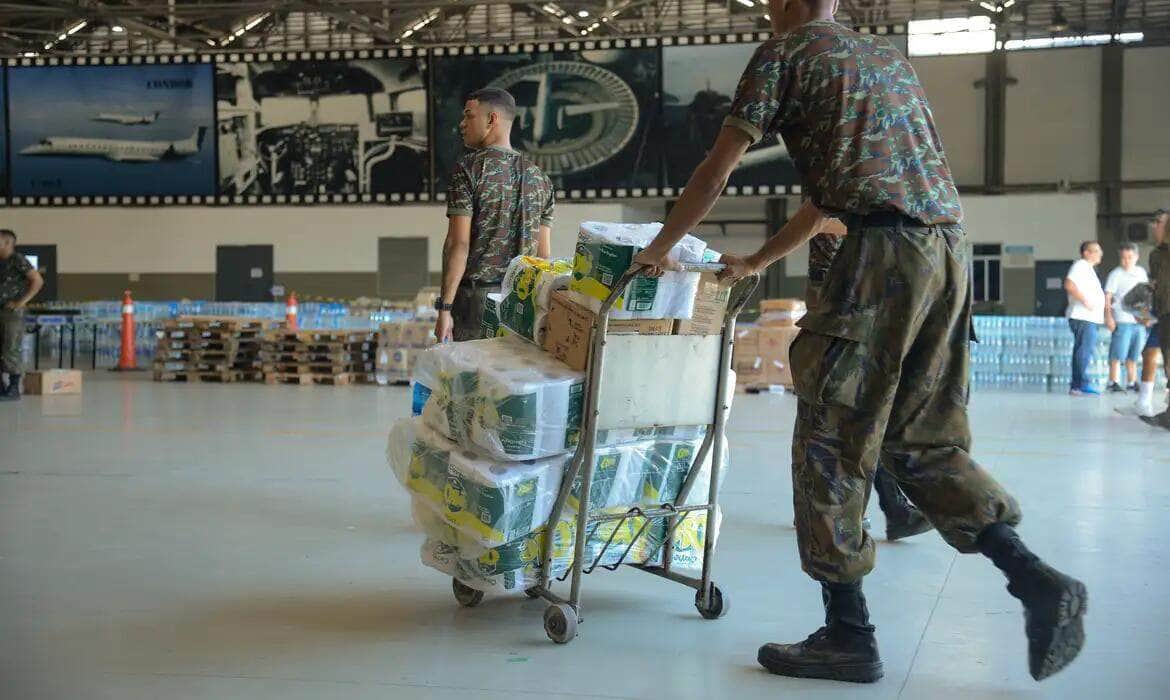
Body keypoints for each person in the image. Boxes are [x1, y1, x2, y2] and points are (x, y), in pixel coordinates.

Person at [633, 0, 1086, 684]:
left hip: (879, 258)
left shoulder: (787, 53)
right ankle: (1036, 579)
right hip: (946, 253)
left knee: (830, 442)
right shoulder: (886, 61)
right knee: (921, 440)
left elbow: (717, 170)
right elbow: (824, 203)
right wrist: (756, 262)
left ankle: (848, 633)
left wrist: (658, 248)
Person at [809, 222, 932, 542]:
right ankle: (872, 511)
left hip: (855, 318)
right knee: (853, 421)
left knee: (863, 421)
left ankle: (884, 509)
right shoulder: (840, 214)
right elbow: (822, 225)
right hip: (844, 322)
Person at [435, 87, 555, 343]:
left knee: (471, 370)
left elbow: (458, 244)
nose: (462, 123)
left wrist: (444, 309)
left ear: (492, 120)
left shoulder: (469, 170)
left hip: (476, 304)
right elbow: (543, 256)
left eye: (469, 115)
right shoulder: (541, 179)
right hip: (523, 303)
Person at [0, 229, 43, 402]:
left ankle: (13, 388)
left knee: (10, 348)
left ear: (7, 243)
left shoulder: (17, 259)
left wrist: (21, 302)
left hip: (11, 312)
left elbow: (37, 280)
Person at [1103, 242, 1149, 393]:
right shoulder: (1116, 274)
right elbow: (1108, 296)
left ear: (1136, 257)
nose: (1126, 261)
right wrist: (1108, 316)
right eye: (1123, 258)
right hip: (1122, 319)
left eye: (1129, 257)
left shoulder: (1141, 272)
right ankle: (1113, 381)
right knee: (1118, 351)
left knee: (1135, 353)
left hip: (1138, 320)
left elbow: (1145, 295)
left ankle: (1131, 381)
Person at [1140, 210, 1170, 428]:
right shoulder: (1155, 255)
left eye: (1159, 223)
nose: (1154, 227)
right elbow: (1156, 285)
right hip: (1165, 313)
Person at [1064, 241, 1105, 396]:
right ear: (1086, 253)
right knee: (1083, 350)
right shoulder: (1080, 266)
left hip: (1089, 317)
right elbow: (1069, 284)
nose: (1100, 254)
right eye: (1097, 251)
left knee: (1084, 350)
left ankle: (1081, 383)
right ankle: (1077, 385)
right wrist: (1085, 300)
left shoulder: (1088, 269)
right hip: (1082, 316)